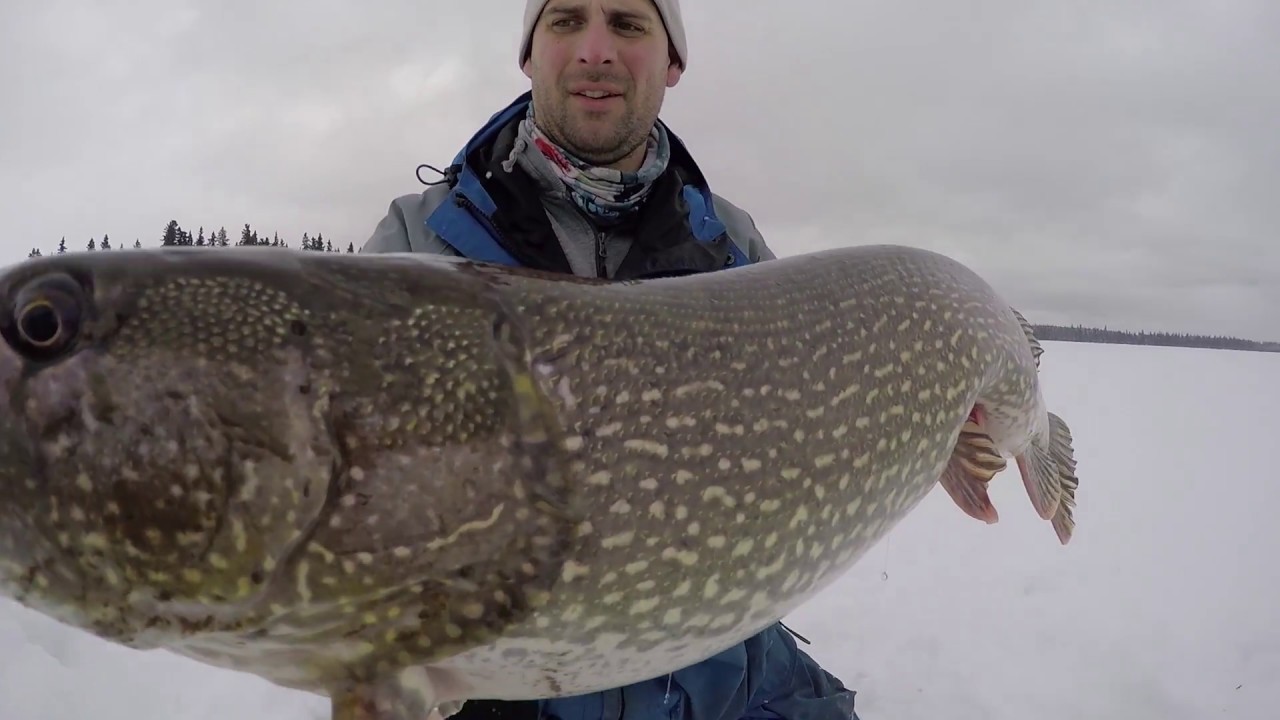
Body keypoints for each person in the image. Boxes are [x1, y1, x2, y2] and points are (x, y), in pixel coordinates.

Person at [361, 2, 862, 720]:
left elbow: (804, 444)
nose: (595, 50)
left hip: (713, 672)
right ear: (530, 55)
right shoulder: (417, 244)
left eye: (627, 24)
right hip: (501, 689)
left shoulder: (733, 248)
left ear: (673, 63)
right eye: (565, 21)